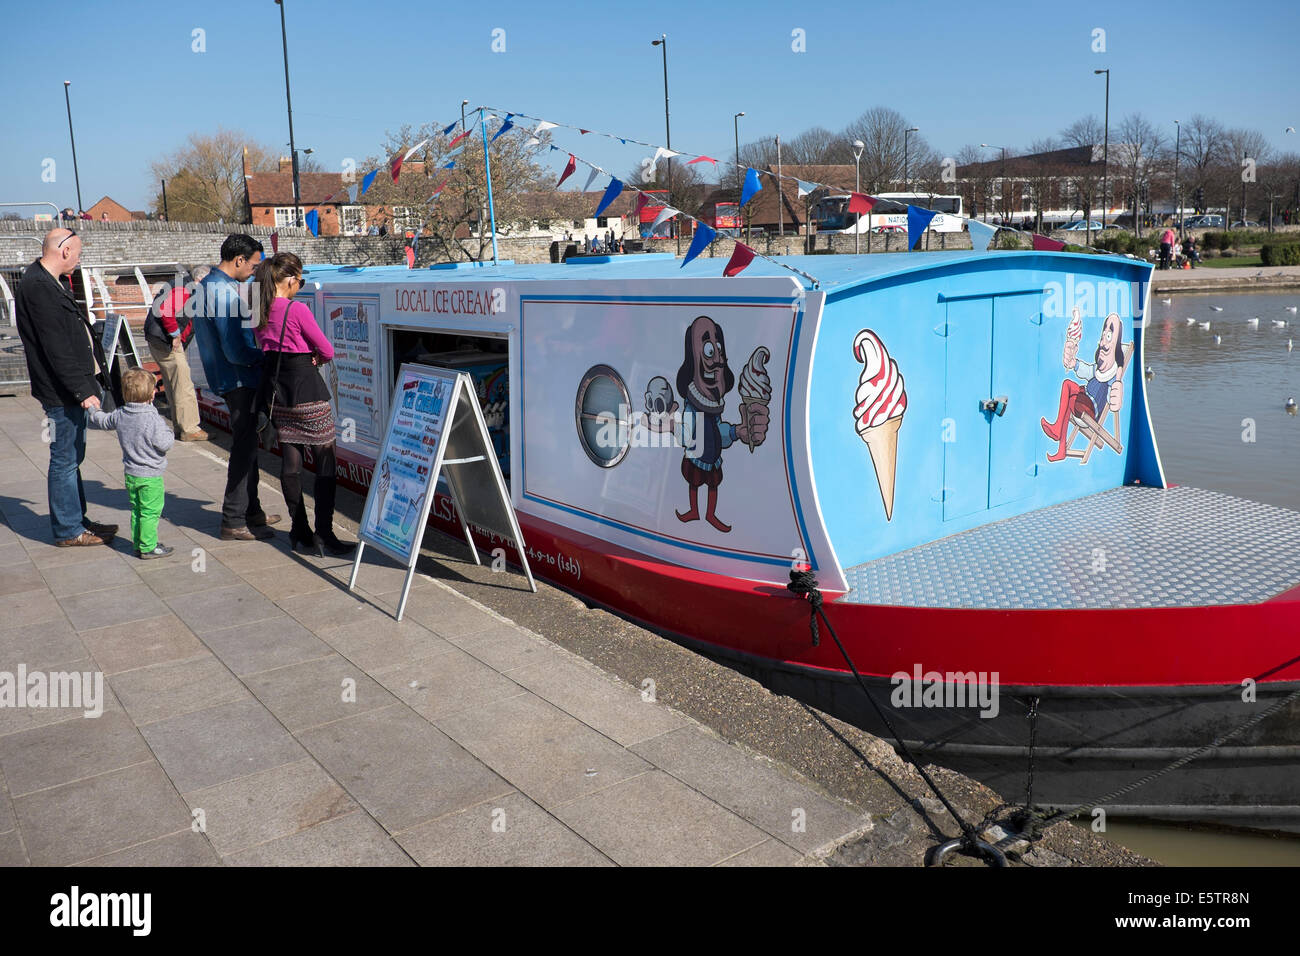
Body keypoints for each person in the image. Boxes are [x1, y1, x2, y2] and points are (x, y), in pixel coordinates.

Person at [14, 227, 119, 546]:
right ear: (65, 251)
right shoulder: (38, 286)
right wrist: (82, 390)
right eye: (78, 252)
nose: (79, 258)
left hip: (68, 388)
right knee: (64, 457)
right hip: (62, 391)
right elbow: (55, 346)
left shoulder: (47, 281)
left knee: (73, 455)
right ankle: (69, 530)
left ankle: (77, 519)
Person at [252, 252, 354, 557]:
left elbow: (262, 346)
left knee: (291, 465)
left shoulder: (256, 308)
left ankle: (300, 530)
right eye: (300, 280)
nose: (301, 286)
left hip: (277, 394)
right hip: (307, 391)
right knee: (325, 462)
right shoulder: (296, 309)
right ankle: (324, 533)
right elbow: (327, 349)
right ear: (289, 281)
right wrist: (316, 358)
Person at [190, 234, 282, 541]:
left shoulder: (205, 287)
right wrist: (267, 357)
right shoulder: (225, 295)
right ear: (239, 260)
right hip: (239, 379)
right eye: (254, 265)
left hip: (224, 379)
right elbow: (236, 351)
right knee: (243, 451)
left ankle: (251, 511)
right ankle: (232, 519)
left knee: (248, 448)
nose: (255, 271)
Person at [88, 367, 175, 559]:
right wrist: (170, 431)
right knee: (150, 512)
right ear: (151, 394)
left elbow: (102, 421)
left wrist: (92, 409)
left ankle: (139, 543)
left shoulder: (121, 413)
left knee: (137, 510)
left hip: (131, 474)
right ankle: (148, 546)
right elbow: (165, 443)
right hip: (150, 476)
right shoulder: (153, 418)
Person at [143, 265, 208, 442]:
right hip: (166, 342)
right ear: (200, 280)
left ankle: (181, 426)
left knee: (174, 384)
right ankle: (190, 428)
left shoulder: (182, 285)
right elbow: (166, 310)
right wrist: (175, 334)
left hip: (158, 340)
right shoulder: (186, 289)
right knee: (183, 384)